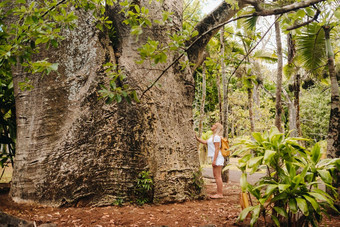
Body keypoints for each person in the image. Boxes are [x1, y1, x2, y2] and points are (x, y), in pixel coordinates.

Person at [195, 122, 224, 199]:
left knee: (218, 176)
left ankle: (220, 194)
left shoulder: (217, 137)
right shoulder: (212, 137)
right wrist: (196, 138)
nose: (212, 125)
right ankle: (219, 193)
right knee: (216, 176)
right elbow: (205, 142)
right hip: (215, 157)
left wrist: (214, 160)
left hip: (217, 157)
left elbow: (217, 149)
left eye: (214, 125)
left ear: (216, 128)